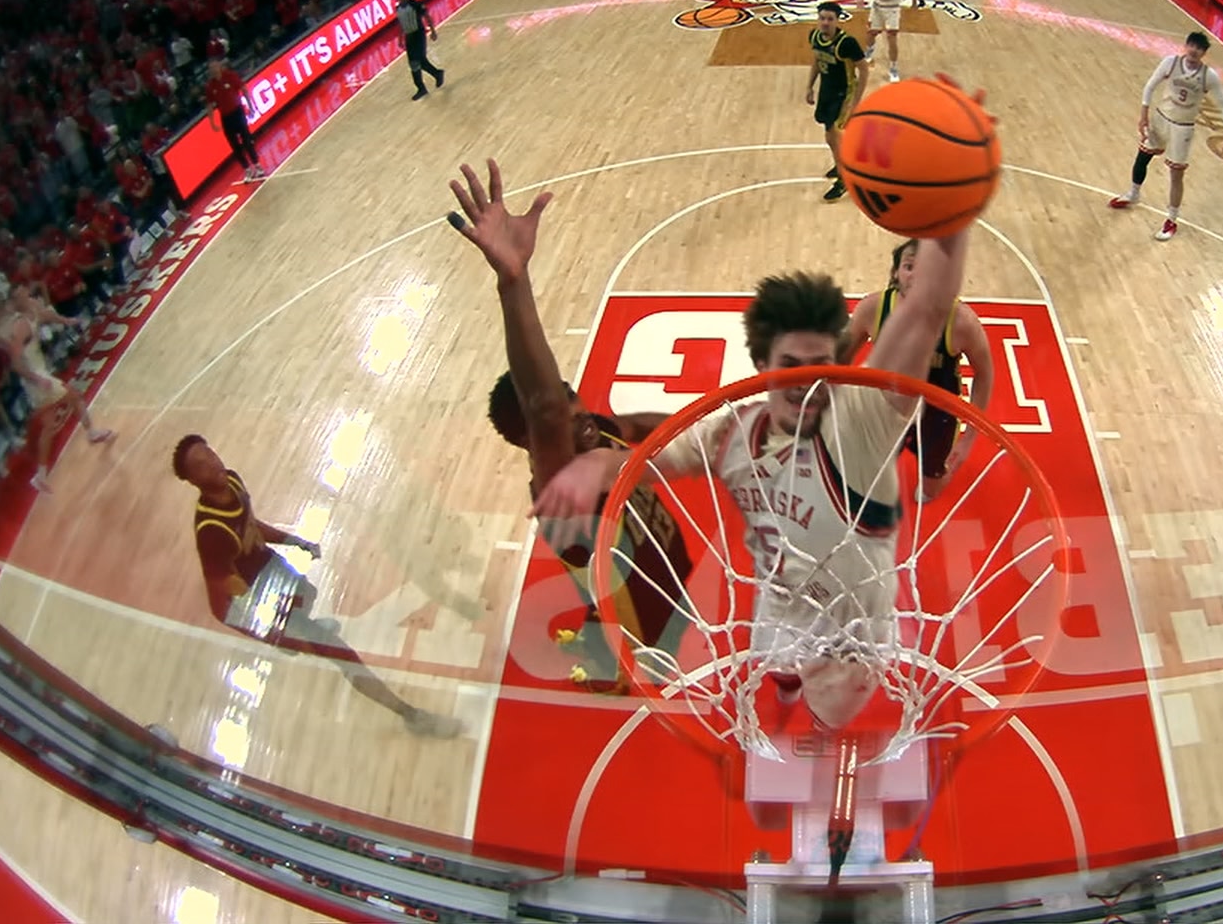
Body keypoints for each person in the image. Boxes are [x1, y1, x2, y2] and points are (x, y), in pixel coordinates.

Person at [533, 79, 983, 732]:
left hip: (861, 612)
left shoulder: (864, 413)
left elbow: (926, 309)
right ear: (760, 368)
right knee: (782, 679)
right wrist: (593, 468)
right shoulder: (731, 430)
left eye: (818, 364)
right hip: (782, 603)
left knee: (835, 714)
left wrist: (955, 213)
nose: (805, 382)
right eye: (788, 368)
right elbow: (649, 461)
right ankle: (788, 686)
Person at [445, 161, 694, 693]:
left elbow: (644, 423)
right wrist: (514, 283)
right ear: (530, 444)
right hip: (649, 632)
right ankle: (606, 663)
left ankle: (594, 628)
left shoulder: (595, 427)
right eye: (559, 415)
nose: (575, 412)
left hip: (670, 573)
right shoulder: (559, 489)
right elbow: (544, 407)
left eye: (571, 395)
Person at [171, 435, 461, 737]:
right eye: (201, 466)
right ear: (192, 480)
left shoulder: (232, 481)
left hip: (263, 569)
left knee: (307, 593)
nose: (213, 464)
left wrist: (294, 541)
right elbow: (224, 583)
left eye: (211, 455)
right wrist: (271, 623)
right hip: (245, 600)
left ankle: (300, 637)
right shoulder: (211, 531)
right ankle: (410, 716)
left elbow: (251, 525)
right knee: (339, 654)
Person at [843, 238, 994, 500]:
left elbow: (985, 374)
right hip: (885, 406)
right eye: (910, 266)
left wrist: (969, 438)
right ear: (895, 273)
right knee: (869, 472)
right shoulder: (873, 309)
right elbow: (839, 362)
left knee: (930, 487)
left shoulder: (961, 322)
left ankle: (933, 476)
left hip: (938, 411)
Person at [0, 267, 113, 493]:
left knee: (49, 426)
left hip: (38, 377)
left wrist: (68, 321)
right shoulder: (19, 325)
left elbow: (47, 316)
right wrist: (37, 379)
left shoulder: (31, 313)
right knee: (74, 395)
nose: (26, 293)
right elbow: (16, 363)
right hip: (36, 379)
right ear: (14, 300)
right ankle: (91, 432)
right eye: (21, 293)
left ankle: (40, 475)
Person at [1109, 32, 1223, 242]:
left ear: (1204, 53)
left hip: (1183, 127)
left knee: (1176, 175)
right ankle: (1133, 193)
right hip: (1161, 118)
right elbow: (1150, 86)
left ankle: (1172, 220)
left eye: (1199, 48)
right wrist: (1143, 114)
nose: (1194, 50)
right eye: (1191, 45)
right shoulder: (1170, 62)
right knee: (1142, 156)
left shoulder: (1209, 76)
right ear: (1186, 46)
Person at [807, 1, 869, 202]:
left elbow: (864, 69)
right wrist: (809, 86)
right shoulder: (815, 37)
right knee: (829, 135)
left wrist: (855, 103)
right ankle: (840, 163)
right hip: (827, 90)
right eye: (822, 18)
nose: (825, 22)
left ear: (837, 20)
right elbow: (817, 60)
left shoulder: (847, 43)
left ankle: (844, 179)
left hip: (844, 92)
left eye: (830, 19)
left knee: (833, 134)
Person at [860, 0, 918, 83]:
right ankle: (869, 51)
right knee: (870, 34)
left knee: (892, 39)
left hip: (892, 9)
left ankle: (893, 68)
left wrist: (914, 4)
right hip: (877, 7)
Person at [203, 57, 265, 183]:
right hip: (226, 117)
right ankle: (247, 169)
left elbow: (243, 89)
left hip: (238, 112)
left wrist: (251, 106)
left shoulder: (230, 76)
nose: (213, 70)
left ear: (219, 67)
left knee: (247, 139)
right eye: (211, 69)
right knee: (235, 146)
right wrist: (212, 122)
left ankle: (257, 165)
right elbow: (209, 105)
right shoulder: (210, 86)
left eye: (215, 67)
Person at [397, 0, 447, 101]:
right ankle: (433, 77)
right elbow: (400, 24)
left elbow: (427, 16)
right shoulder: (398, 9)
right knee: (415, 63)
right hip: (408, 37)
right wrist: (400, 38)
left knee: (419, 60)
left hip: (418, 35)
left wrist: (433, 30)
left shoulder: (416, 5)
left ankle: (426, 83)